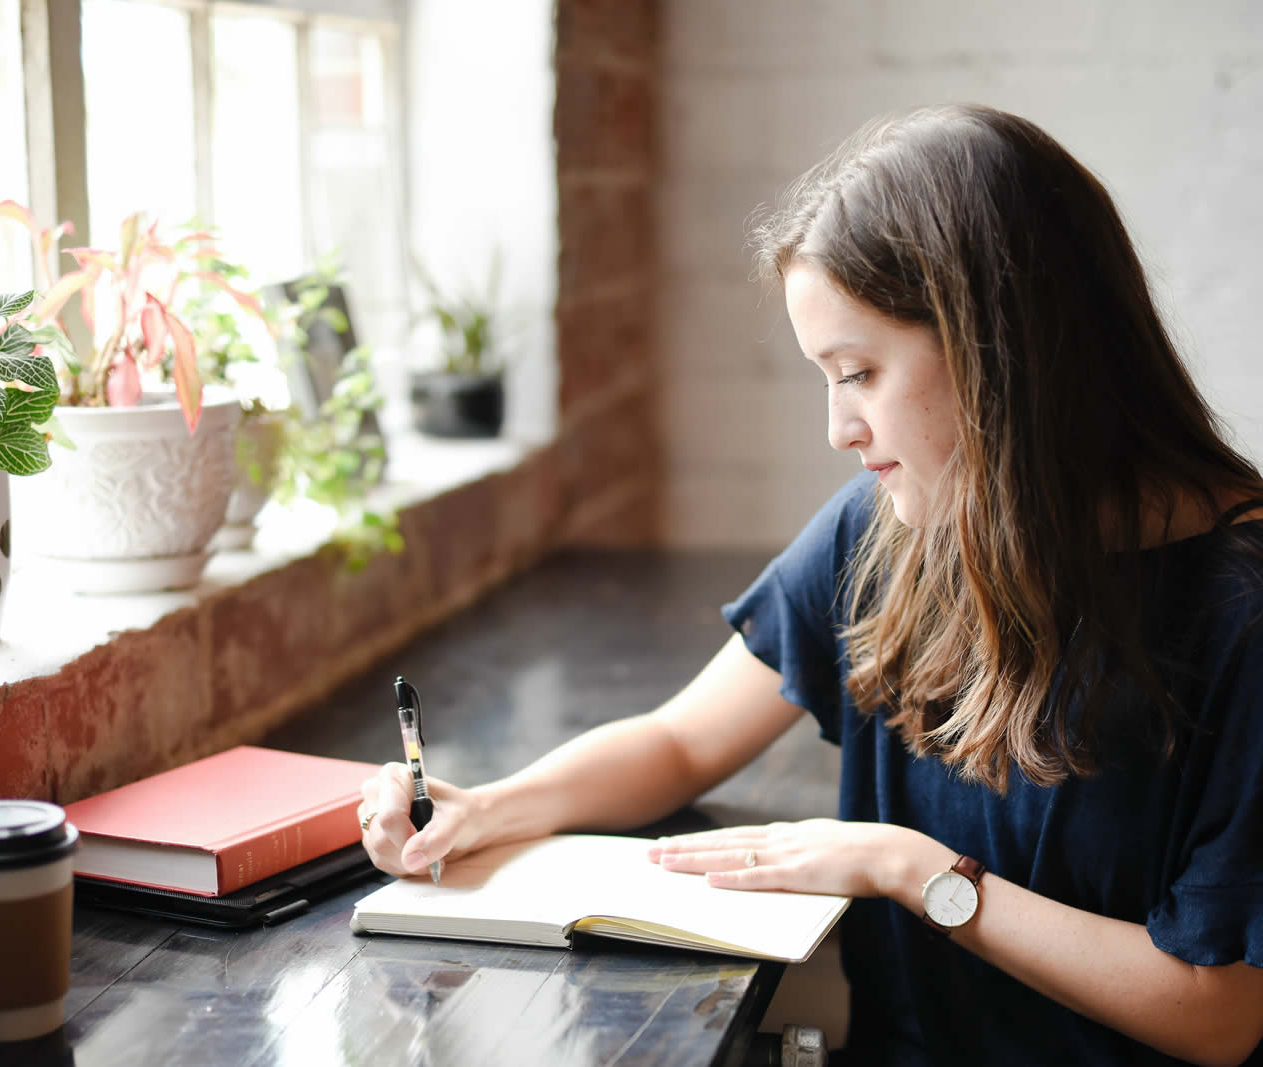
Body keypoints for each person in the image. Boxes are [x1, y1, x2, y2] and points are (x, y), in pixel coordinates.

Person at [360, 104, 1263, 1066]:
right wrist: (488, 807)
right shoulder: (888, 530)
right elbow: (680, 739)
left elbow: (1213, 1010)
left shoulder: (1237, 613)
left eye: (860, 372)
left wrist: (913, 870)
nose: (839, 429)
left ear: (1001, 349)